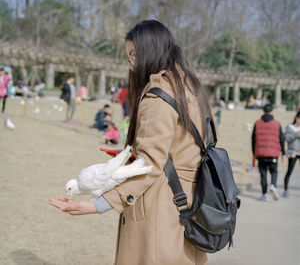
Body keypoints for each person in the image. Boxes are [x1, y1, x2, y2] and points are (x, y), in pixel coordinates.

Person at [49, 20, 213, 265]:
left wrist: (99, 205)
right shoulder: (190, 86)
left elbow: (151, 165)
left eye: (135, 56)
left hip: (160, 208)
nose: (132, 64)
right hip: (189, 205)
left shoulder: (158, 93)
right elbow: (178, 148)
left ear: (152, 51)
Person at [252, 103, 285, 201]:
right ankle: (273, 185)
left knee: (263, 174)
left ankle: (264, 194)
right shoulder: (277, 123)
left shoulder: (257, 123)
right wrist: (283, 153)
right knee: (274, 171)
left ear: (263, 111)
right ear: (272, 111)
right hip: (273, 154)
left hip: (260, 153)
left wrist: (254, 152)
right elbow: (282, 139)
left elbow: (253, 139)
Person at [283, 111, 300, 197]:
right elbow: (287, 138)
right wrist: (296, 134)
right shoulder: (290, 127)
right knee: (289, 171)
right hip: (293, 152)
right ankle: (286, 190)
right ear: (296, 118)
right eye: (299, 118)